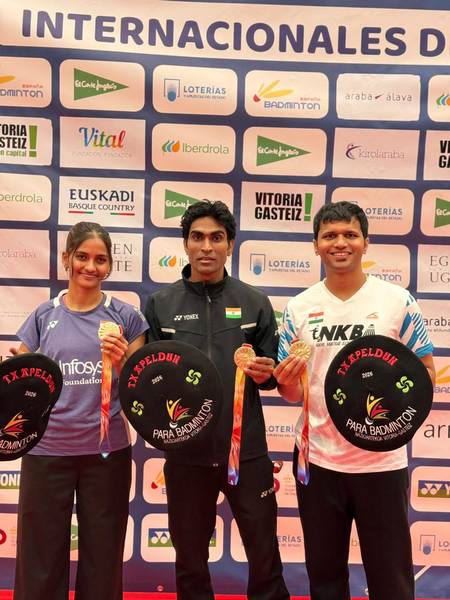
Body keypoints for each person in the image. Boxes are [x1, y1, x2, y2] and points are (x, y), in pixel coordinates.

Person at [274, 201, 436, 600]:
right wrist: (286, 382)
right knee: (325, 577)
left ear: (366, 242)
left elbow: (426, 373)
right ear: (315, 245)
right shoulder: (298, 308)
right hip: (317, 458)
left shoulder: (398, 301)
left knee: (391, 577)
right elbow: (293, 393)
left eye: (350, 234)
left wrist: (393, 422)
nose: (340, 243)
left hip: (380, 459)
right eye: (329, 235)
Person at [145, 200, 290, 600]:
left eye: (216, 238)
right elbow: (151, 379)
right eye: (197, 237)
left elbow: (272, 376)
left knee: (264, 554)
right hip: (186, 454)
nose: (206, 246)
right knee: (190, 560)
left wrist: (267, 373)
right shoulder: (161, 304)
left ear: (230, 245)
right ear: (185, 244)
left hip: (247, 452)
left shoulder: (255, 300)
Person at [10, 221, 148, 600]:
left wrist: (123, 360)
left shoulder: (126, 317)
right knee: (40, 557)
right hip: (46, 450)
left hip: (106, 453)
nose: (90, 266)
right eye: (82, 257)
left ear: (110, 265)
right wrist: (14, 373)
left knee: (103, 556)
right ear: (66, 258)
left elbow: (140, 389)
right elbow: (23, 379)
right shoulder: (44, 315)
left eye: (100, 259)